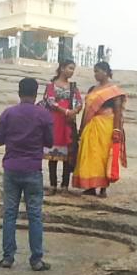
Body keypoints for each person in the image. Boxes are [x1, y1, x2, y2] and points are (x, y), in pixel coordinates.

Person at [0, 76, 55, 271]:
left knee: (9, 214)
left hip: (11, 168)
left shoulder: (8, 113)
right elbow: (50, 142)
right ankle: (36, 259)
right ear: (36, 93)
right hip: (33, 169)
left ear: (19, 92)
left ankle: (8, 257)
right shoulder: (43, 115)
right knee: (35, 215)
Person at [72, 61, 127, 198]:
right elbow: (86, 110)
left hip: (106, 126)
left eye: (97, 71)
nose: (95, 74)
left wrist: (117, 130)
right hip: (91, 125)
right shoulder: (92, 89)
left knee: (103, 156)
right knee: (90, 155)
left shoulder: (114, 91)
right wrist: (81, 128)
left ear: (106, 72)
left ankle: (103, 188)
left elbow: (118, 111)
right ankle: (91, 187)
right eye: (94, 72)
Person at [40, 58, 82, 192]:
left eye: (73, 69)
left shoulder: (73, 87)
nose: (72, 71)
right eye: (70, 68)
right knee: (52, 155)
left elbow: (79, 102)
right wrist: (67, 111)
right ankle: (53, 185)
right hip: (55, 122)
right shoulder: (51, 86)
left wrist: (74, 111)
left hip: (67, 124)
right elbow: (50, 101)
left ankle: (64, 185)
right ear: (62, 68)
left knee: (67, 156)